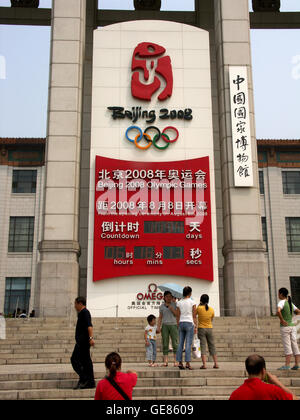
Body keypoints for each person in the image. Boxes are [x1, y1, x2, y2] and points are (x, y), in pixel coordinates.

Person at [229, 354, 297, 400]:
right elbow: (294, 398)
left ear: (247, 371)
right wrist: (277, 382)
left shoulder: (235, 394)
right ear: (263, 371)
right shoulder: (273, 390)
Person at [71, 297, 95, 390]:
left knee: (75, 360)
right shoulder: (82, 313)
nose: (74, 306)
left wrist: (91, 338)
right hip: (82, 341)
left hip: (83, 342)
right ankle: (89, 381)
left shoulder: (85, 312)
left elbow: (89, 326)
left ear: (80, 303)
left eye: (75, 303)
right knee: (85, 362)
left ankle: (85, 378)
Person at [276, 288, 300, 371]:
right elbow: (298, 311)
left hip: (285, 327)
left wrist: (282, 320)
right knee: (294, 344)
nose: (278, 295)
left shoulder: (281, 302)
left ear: (282, 294)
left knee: (287, 345)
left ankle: (287, 365)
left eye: (279, 293)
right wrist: (294, 319)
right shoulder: (290, 303)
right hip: (292, 326)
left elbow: (278, 311)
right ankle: (297, 364)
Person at [176, 286, 197, 370]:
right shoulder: (192, 302)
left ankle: (180, 362)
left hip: (181, 322)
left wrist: (178, 323)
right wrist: (196, 326)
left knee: (180, 343)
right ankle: (188, 363)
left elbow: (177, 315)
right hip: (189, 323)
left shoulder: (179, 302)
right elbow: (194, 316)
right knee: (188, 343)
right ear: (190, 293)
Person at [197, 294, 219, 370]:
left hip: (201, 328)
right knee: (212, 346)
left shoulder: (199, 308)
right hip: (209, 328)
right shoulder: (211, 309)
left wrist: (199, 304)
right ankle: (216, 363)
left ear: (201, 300)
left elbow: (194, 314)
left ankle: (204, 364)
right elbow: (212, 319)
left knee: (203, 346)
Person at [157, 291, 179, 367]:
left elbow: (177, 314)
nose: (169, 298)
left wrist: (171, 308)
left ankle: (176, 361)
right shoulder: (161, 306)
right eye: (167, 296)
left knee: (175, 343)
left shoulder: (175, 304)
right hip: (165, 326)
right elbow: (160, 317)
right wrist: (158, 327)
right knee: (165, 343)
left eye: (170, 296)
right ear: (164, 297)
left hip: (173, 325)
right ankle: (165, 361)